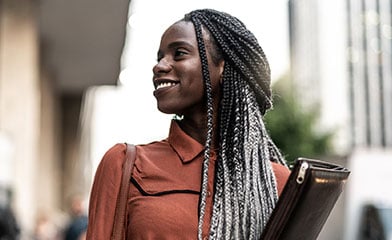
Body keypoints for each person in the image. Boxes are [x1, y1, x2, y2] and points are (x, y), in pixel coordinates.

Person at [86, 8, 290, 239]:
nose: (160, 66)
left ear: (223, 67)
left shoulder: (277, 184)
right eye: (159, 57)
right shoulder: (125, 163)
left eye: (179, 53)